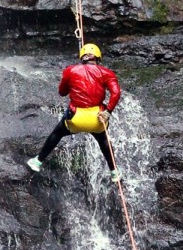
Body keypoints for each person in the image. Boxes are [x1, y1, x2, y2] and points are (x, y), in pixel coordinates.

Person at [27, 43, 122, 181]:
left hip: (76, 117)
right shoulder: (107, 73)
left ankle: (38, 161)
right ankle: (114, 172)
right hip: (97, 118)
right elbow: (116, 93)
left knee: (57, 133)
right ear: (98, 58)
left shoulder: (70, 70)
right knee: (103, 139)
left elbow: (62, 92)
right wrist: (108, 112)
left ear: (82, 57)